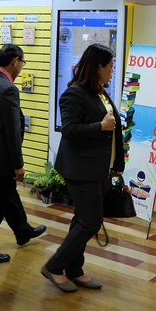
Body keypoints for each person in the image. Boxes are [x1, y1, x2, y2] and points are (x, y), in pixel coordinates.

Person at [41, 43, 124, 293]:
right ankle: (54, 266)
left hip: (99, 168)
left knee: (82, 219)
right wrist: (100, 126)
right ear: (98, 67)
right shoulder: (74, 94)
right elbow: (69, 130)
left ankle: (74, 269)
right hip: (80, 169)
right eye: (110, 66)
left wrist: (116, 164)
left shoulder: (99, 91)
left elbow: (113, 129)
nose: (112, 70)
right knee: (90, 221)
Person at [0, 44, 46, 263]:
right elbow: (12, 131)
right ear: (15, 61)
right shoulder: (8, 89)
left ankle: (22, 230)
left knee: (6, 194)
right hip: (3, 158)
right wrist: (18, 164)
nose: (22, 67)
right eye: (22, 62)